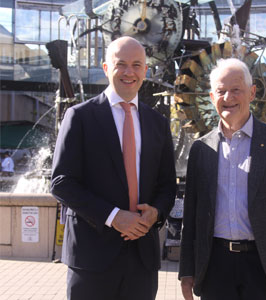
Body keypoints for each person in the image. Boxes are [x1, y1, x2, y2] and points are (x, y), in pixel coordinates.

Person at [51, 36, 176, 300]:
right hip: (92, 257)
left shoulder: (158, 123)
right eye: (121, 64)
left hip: (142, 258)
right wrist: (113, 216)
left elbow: (167, 184)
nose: (129, 72)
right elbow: (62, 182)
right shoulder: (80, 116)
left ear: (145, 70)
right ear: (106, 68)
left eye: (136, 65)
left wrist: (156, 212)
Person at [179, 58, 266, 300]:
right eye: (221, 91)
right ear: (212, 97)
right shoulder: (202, 149)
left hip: (265, 267)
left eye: (236, 90)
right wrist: (186, 271)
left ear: (252, 92)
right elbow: (191, 217)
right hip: (215, 267)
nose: (228, 97)